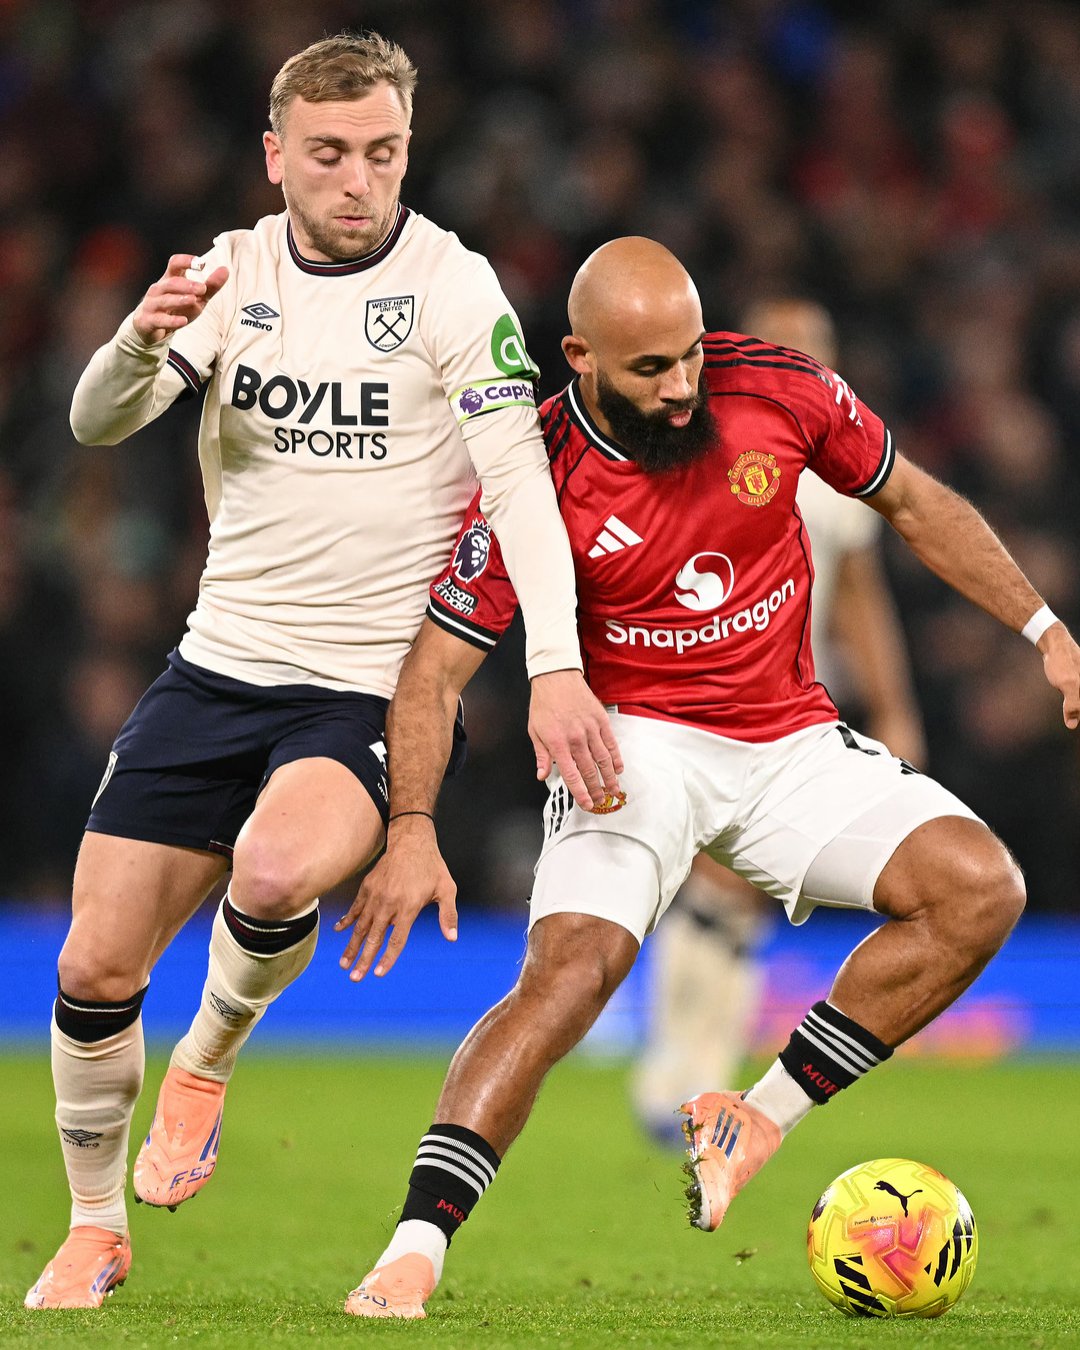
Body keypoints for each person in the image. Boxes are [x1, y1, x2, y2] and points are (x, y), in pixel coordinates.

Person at [336, 237, 1080, 1319]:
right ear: (581, 357)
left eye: (690, 354)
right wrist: (411, 827)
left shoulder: (777, 388)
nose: (684, 386)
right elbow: (434, 671)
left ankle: (759, 1115)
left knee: (980, 889)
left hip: (788, 738)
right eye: (651, 368)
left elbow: (916, 504)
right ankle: (415, 1247)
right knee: (572, 973)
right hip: (633, 746)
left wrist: (1046, 631)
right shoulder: (532, 474)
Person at [25, 32, 623, 1312]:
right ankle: (93, 1227)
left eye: (384, 153)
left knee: (274, 867)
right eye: (331, 154)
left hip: (366, 687)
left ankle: (207, 1057)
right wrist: (136, 339)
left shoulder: (452, 289)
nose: (359, 180)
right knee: (90, 970)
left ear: (408, 149)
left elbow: (521, 487)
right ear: (276, 156)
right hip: (215, 666)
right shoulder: (233, 273)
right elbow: (96, 421)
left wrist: (557, 665)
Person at [632, 297, 926, 1142]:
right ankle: (682, 1070)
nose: (806, 364)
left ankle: (688, 1074)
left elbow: (860, 598)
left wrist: (895, 708)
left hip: (793, 706)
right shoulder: (701, 450)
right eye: (788, 347)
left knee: (740, 891)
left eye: (818, 349)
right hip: (696, 693)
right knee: (719, 882)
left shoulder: (839, 468)